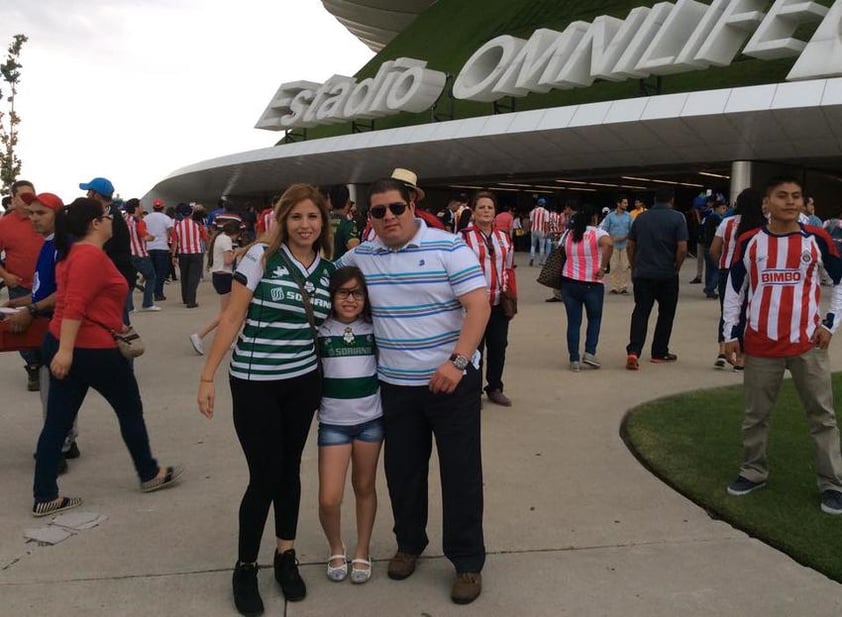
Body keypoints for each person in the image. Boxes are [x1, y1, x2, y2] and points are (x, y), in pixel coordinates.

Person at [336, 177, 489, 605]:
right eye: (377, 211)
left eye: (395, 208)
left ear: (412, 206)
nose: (388, 217)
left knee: (460, 474)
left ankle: (467, 562)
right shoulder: (360, 256)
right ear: (369, 216)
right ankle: (409, 543)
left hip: (450, 382)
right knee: (403, 473)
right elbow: (320, 280)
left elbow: (479, 305)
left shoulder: (448, 247)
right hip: (395, 386)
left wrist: (457, 362)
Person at [197, 184, 334, 614]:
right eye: (296, 217)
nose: (305, 225)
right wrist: (207, 375)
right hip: (256, 382)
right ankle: (244, 567)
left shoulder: (329, 271)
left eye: (313, 217)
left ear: (323, 222)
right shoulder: (260, 257)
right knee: (264, 476)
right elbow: (233, 315)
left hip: (303, 382)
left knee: (289, 470)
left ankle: (285, 555)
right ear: (282, 220)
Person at [32, 197, 182, 518]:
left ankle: (45, 494)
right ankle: (148, 473)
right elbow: (75, 305)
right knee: (129, 409)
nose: (111, 219)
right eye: (106, 215)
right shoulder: (89, 256)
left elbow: (78, 300)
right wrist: (67, 352)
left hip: (70, 343)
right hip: (91, 349)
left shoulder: (73, 254)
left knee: (57, 422)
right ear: (94, 224)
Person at [722, 176, 842, 515]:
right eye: (782, 196)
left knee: (822, 417)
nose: (790, 202)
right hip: (760, 345)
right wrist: (730, 334)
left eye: (796, 197)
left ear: (803, 203)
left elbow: (840, 280)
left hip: (808, 344)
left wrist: (830, 324)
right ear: (767, 202)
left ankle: (833, 484)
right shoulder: (749, 241)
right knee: (755, 416)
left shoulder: (816, 239)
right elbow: (735, 288)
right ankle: (753, 472)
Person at [316, 266, 383, 585]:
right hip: (333, 424)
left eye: (357, 293)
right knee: (329, 497)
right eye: (343, 292)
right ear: (331, 297)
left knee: (364, 487)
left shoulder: (375, 329)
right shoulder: (320, 330)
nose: (350, 299)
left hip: (370, 422)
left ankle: (362, 549)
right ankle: (336, 547)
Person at [5, 192, 79, 472]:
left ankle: (56, 450)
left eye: (40, 213)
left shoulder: (65, 246)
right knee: (61, 389)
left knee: (53, 389)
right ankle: (67, 441)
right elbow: (43, 289)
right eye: (31, 212)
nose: (33, 218)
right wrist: (18, 303)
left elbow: (68, 292)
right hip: (47, 324)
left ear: (57, 216)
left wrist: (32, 310)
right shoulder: (47, 244)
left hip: (59, 327)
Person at [460, 191, 515, 406]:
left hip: (499, 302)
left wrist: (511, 295)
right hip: (474, 305)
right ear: (473, 212)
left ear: (495, 213)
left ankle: (495, 387)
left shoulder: (504, 237)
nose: (485, 211)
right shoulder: (463, 238)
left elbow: (508, 268)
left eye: (489, 207)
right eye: (481, 207)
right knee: (474, 349)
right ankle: (472, 391)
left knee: (499, 346)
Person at [625, 186, 688, 369]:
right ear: (672, 200)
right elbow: (682, 247)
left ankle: (634, 351)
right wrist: (677, 266)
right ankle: (659, 352)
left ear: (654, 200)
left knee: (641, 311)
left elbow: (630, 245)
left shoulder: (641, 218)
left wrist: (634, 267)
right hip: (667, 273)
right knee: (666, 313)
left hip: (643, 273)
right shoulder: (678, 218)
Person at [709, 188, 765, 371]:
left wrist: (722, 265)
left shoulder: (727, 222)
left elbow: (713, 250)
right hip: (753, 273)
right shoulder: (763, 226)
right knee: (747, 314)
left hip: (727, 271)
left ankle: (722, 351)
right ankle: (742, 357)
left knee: (727, 311)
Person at [0, 180, 44, 390]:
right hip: (19, 286)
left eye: (31, 195)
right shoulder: (4, 224)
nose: (28, 201)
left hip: (45, 285)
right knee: (20, 327)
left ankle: (47, 362)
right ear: (13, 198)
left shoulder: (43, 218)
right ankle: (33, 366)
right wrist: (5, 275)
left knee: (45, 325)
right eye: (23, 196)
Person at [560, 203, 613, 371]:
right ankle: (590, 353)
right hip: (592, 283)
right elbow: (609, 245)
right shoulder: (598, 233)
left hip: (569, 281)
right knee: (594, 319)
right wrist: (603, 267)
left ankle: (574, 359)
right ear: (595, 218)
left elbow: (559, 249)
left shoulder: (568, 234)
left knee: (574, 322)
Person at [80, 177, 136, 324]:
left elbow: (102, 249)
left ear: (96, 195)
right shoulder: (106, 214)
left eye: (89, 192)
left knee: (118, 322)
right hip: (116, 273)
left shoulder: (111, 218)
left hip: (118, 275)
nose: (87, 196)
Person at [189, 221, 243, 355]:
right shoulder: (226, 241)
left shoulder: (219, 237)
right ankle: (200, 335)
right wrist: (236, 253)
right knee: (226, 313)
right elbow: (228, 261)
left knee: (226, 312)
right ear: (235, 233)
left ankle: (226, 338)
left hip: (219, 276)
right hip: (224, 277)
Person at [123, 199, 160, 313]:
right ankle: (147, 303)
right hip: (140, 254)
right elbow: (145, 237)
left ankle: (129, 307)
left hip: (128, 254)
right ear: (136, 208)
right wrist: (153, 237)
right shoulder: (139, 221)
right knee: (151, 277)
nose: (142, 208)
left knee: (130, 281)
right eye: (140, 206)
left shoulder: (124, 220)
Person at [171, 203, 207, 308]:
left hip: (183, 254)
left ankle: (185, 298)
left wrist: (173, 256)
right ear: (191, 213)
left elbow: (174, 242)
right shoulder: (197, 224)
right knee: (194, 277)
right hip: (196, 253)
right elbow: (205, 238)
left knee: (184, 276)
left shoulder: (177, 226)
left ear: (181, 214)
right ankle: (191, 301)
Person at [600, 195, 633, 295]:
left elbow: (632, 230)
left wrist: (624, 237)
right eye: (624, 203)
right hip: (613, 245)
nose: (626, 205)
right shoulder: (610, 216)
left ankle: (623, 287)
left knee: (624, 266)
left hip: (625, 245)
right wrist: (611, 238)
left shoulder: (629, 216)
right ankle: (614, 287)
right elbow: (604, 229)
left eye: (627, 203)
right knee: (614, 266)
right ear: (618, 204)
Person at [143, 198, 174, 302]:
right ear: (163, 207)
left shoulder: (146, 218)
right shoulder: (166, 218)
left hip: (149, 247)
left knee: (152, 272)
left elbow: (143, 231)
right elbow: (171, 231)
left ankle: (150, 292)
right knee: (161, 272)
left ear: (153, 207)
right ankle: (158, 293)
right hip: (162, 247)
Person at [701, 199, 729, 299]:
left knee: (710, 269)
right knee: (717, 269)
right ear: (716, 208)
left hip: (706, 245)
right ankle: (710, 287)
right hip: (713, 246)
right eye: (723, 208)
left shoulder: (708, 217)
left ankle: (709, 288)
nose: (725, 210)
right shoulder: (717, 218)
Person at [327, 184, 360, 260]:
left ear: (330, 201)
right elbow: (355, 252)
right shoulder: (347, 225)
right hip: (341, 269)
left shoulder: (323, 223)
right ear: (347, 201)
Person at [528, 197, 549, 266]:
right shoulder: (546, 212)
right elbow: (546, 223)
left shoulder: (533, 211)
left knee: (533, 245)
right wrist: (546, 232)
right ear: (544, 204)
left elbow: (530, 222)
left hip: (534, 230)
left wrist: (530, 229)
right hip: (541, 230)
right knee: (542, 247)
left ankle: (532, 258)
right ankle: (541, 262)